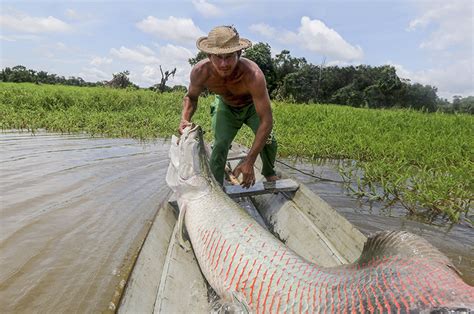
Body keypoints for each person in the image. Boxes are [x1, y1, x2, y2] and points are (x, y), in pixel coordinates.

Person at [178, 25, 278, 188]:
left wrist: (249, 161)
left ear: (239, 53)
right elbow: (191, 98)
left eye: (229, 56)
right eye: (218, 57)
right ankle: (216, 187)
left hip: (251, 107)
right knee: (220, 145)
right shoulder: (200, 71)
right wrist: (184, 118)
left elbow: (266, 121)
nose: (224, 64)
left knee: (270, 142)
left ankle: (268, 173)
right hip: (226, 106)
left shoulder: (253, 75)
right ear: (209, 55)